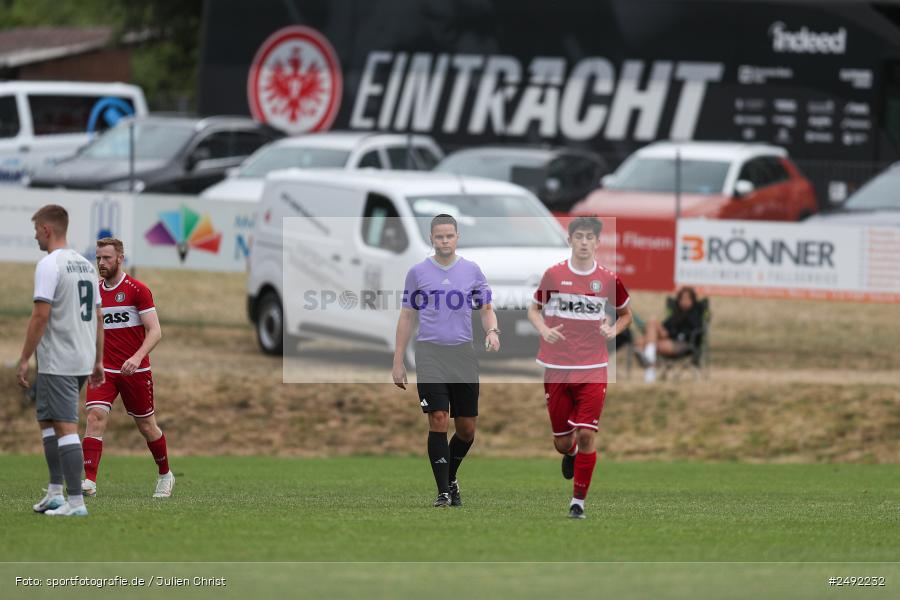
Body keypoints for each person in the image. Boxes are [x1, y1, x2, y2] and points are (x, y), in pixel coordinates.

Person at [527, 216, 632, 519]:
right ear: (570, 240)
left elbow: (626, 314)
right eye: (579, 236)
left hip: (593, 366)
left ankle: (578, 503)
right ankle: (570, 454)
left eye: (590, 237)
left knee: (586, 434)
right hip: (557, 366)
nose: (584, 242)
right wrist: (544, 330)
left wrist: (614, 330)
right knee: (563, 443)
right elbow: (534, 309)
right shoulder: (555, 275)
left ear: (598, 243)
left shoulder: (609, 280)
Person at [392, 214, 499, 508]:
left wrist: (492, 330)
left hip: (462, 354)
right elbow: (406, 316)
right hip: (429, 353)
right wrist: (398, 360)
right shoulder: (417, 273)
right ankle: (442, 492)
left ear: (457, 237)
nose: (444, 241)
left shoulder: (471, 271)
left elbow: (486, 308)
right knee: (438, 419)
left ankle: (450, 477)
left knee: (466, 429)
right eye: (439, 236)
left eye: (449, 236)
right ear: (431, 239)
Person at [17, 204, 104, 517]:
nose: (35, 236)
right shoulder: (85, 264)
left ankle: (76, 502)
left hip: (59, 360)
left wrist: (25, 357)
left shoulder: (49, 264)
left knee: (65, 427)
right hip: (80, 357)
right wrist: (97, 360)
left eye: (36, 230)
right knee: (48, 420)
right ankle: (55, 492)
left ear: (46, 229)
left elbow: (41, 315)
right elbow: (97, 315)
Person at [81, 237, 174, 498]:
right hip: (104, 370)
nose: (101, 262)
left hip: (136, 370)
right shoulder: (93, 291)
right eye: (98, 257)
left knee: (146, 426)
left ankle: (165, 474)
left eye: (107, 258)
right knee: (94, 417)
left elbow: (155, 331)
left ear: (120, 258)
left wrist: (136, 357)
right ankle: (89, 481)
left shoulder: (137, 290)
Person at [635, 286, 704, 383]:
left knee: (641, 343)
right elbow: (665, 326)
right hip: (669, 339)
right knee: (652, 322)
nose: (684, 301)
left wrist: (674, 334)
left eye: (687, 298)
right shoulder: (676, 313)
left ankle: (647, 363)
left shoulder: (695, 314)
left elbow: (694, 332)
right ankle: (649, 363)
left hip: (683, 344)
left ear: (693, 300)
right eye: (681, 298)